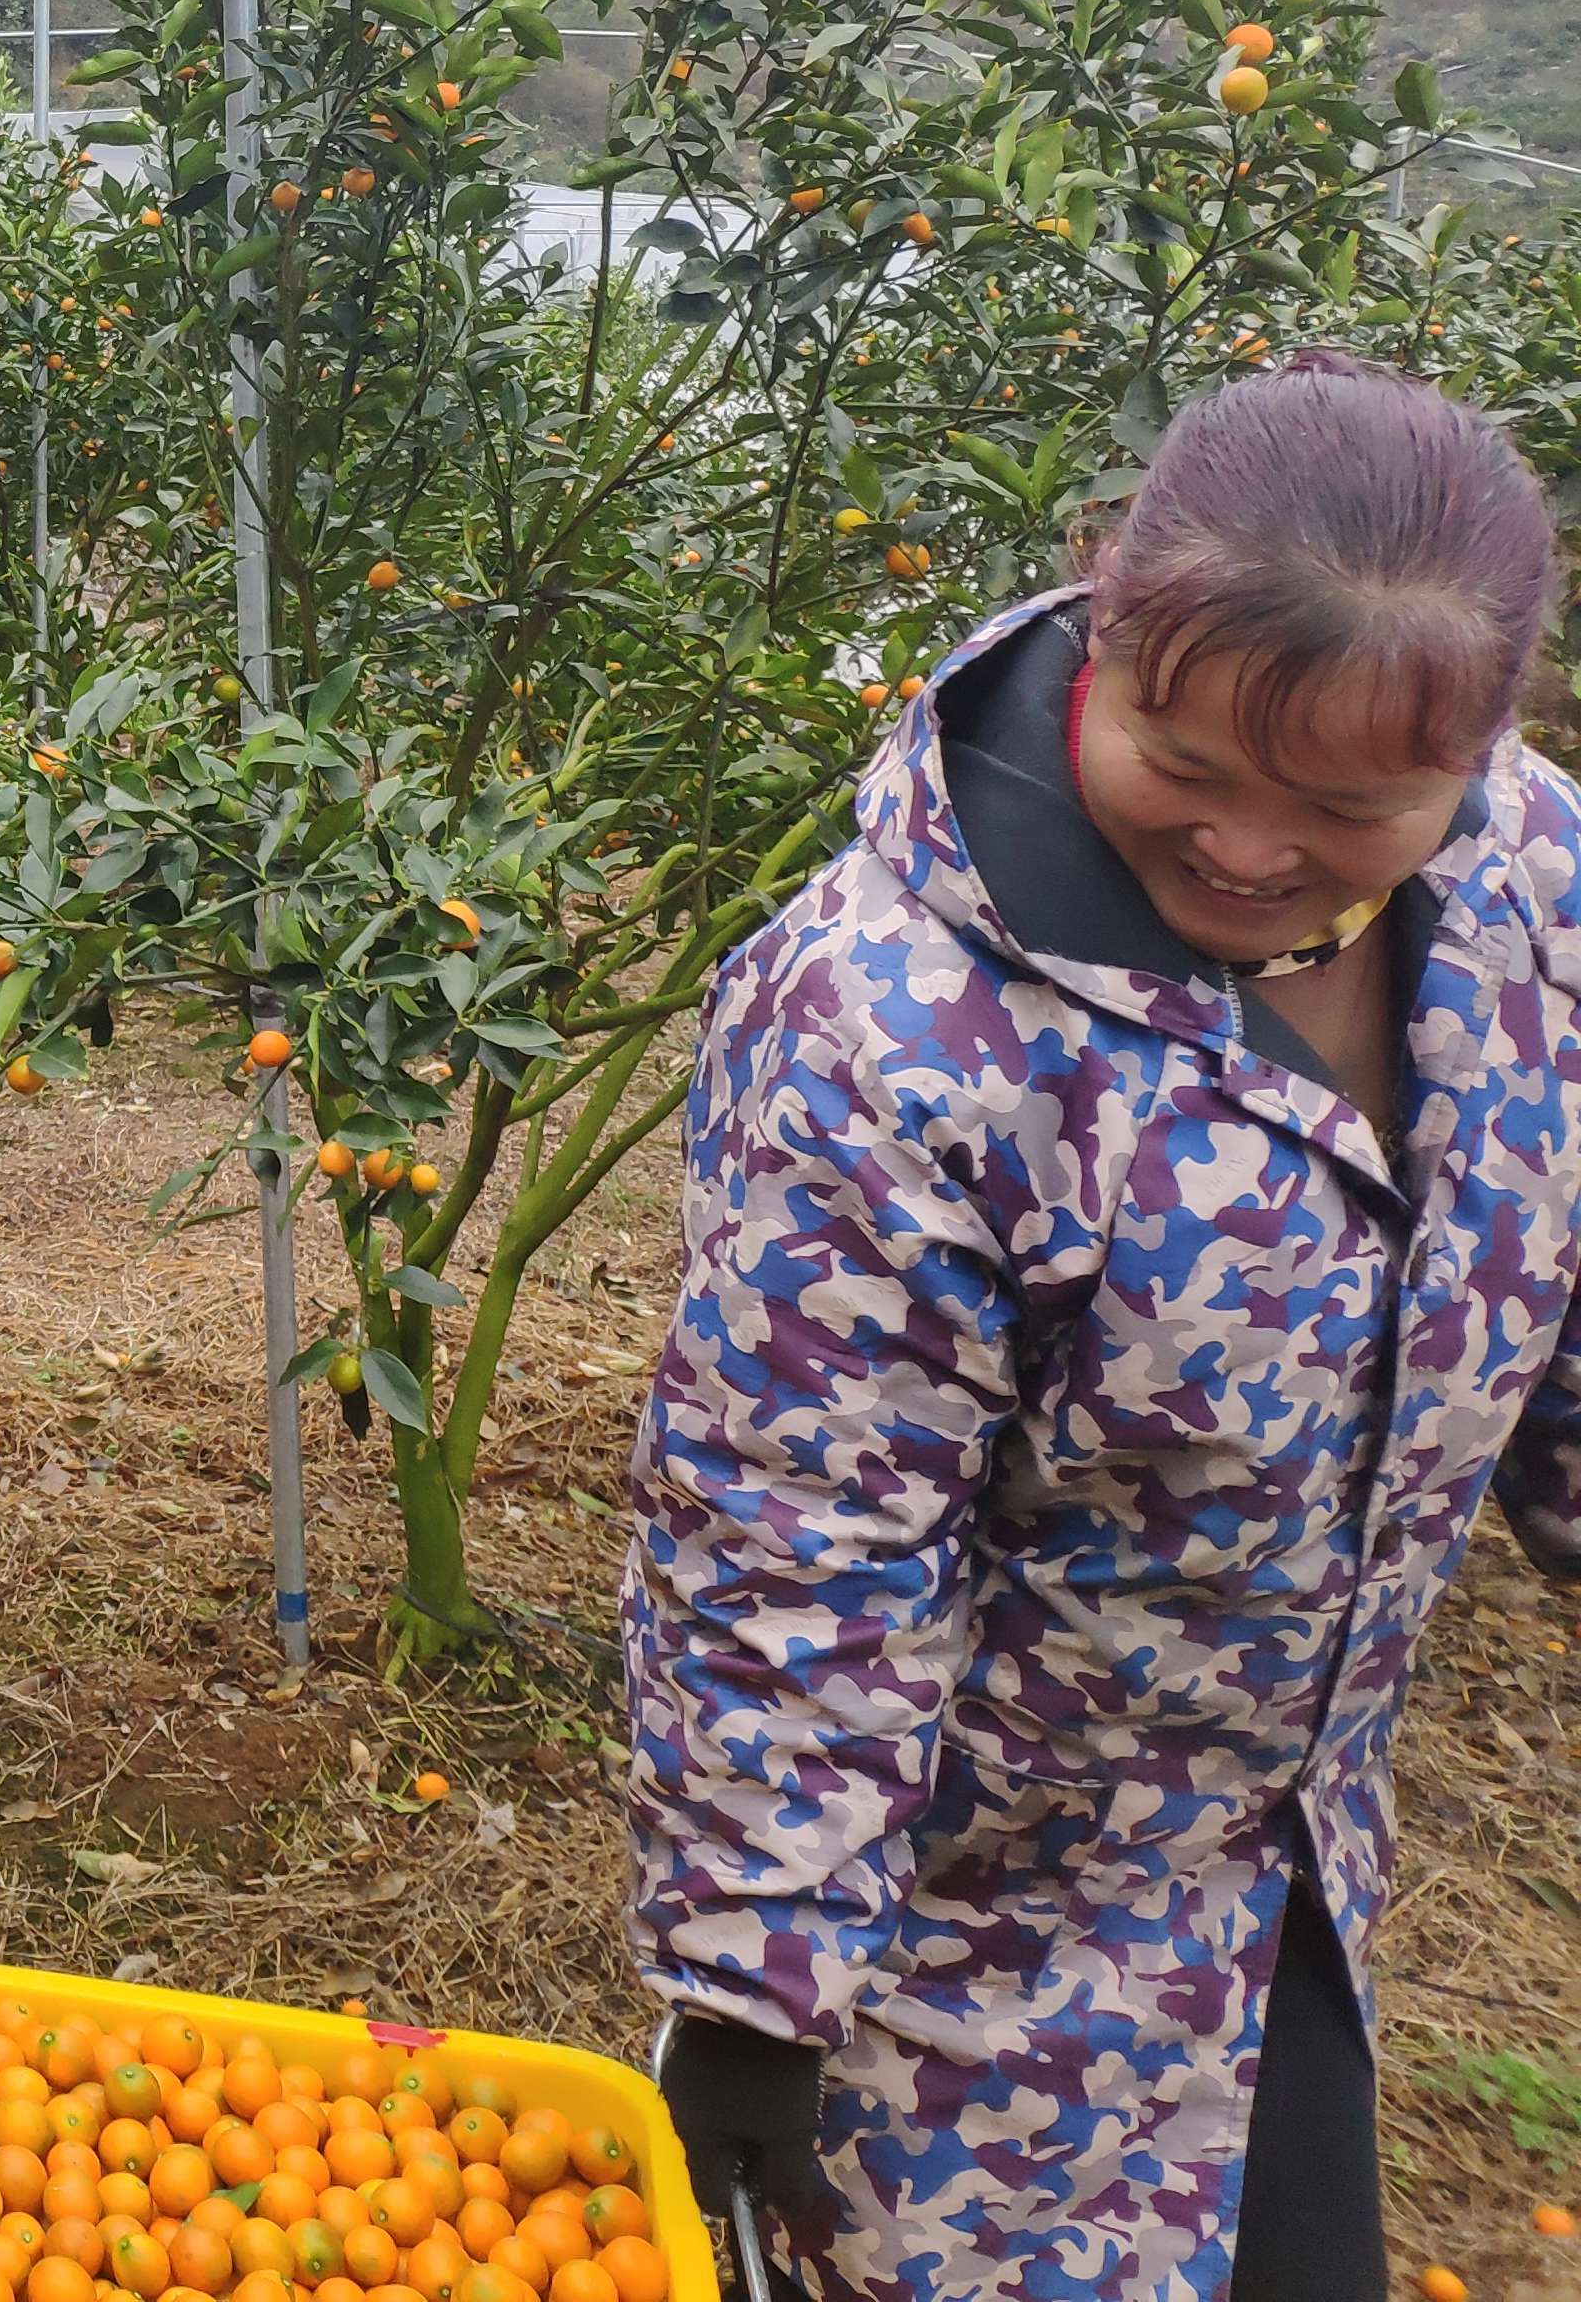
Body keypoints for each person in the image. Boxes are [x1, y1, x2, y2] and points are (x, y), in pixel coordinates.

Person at [624, 354, 1581, 2302]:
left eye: (1345, 802)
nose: (1247, 849)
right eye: (1191, 760)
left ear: (1476, 757)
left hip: (1280, 1873)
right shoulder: (886, 1027)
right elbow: (803, 1530)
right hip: (957, 1961)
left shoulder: (1534, 896)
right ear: (1111, 627)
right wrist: (753, 1977)